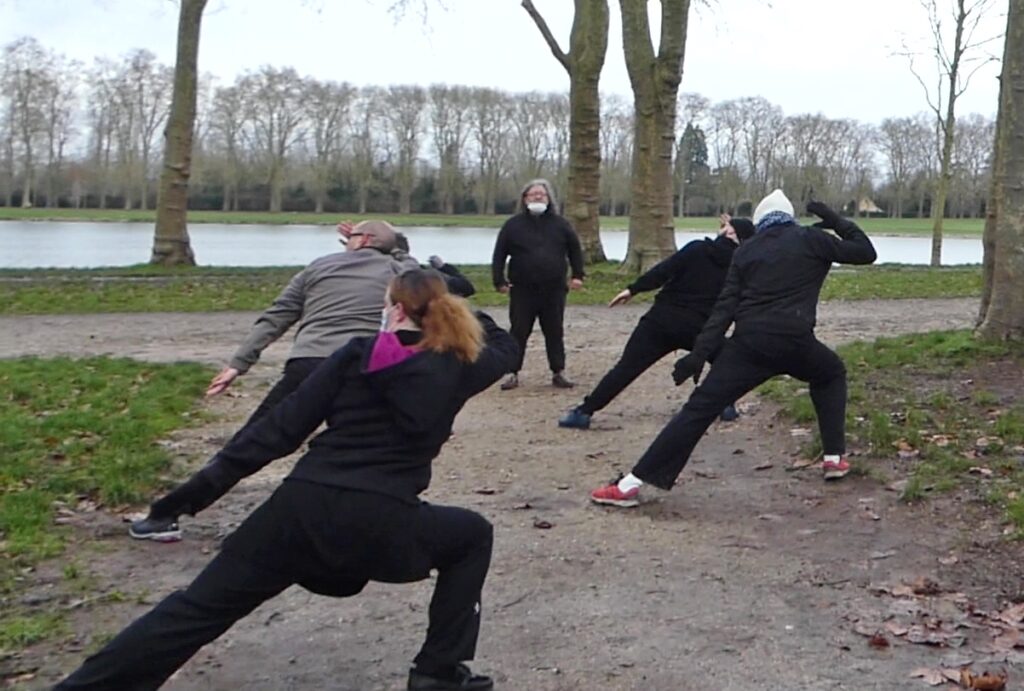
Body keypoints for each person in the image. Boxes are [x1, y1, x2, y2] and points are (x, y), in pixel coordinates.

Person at [57, 269, 518, 691]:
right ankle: (437, 672)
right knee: (471, 535)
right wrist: (456, 295)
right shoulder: (459, 367)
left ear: (395, 310)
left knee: (196, 610)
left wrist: (185, 500)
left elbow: (273, 434)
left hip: (299, 509)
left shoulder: (356, 355)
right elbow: (505, 344)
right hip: (383, 518)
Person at [129, 220, 418, 541]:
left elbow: (276, 316)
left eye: (349, 238)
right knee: (380, 447)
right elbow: (417, 274)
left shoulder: (318, 268)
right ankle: (378, 522)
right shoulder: (399, 269)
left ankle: (165, 514)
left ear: (362, 239)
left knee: (253, 442)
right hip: (366, 369)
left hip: (308, 366)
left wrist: (238, 364)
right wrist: (388, 246)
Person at [589, 191, 877, 508]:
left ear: (759, 222)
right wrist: (837, 221)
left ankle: (631, 484)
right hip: (796, 341)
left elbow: (723, 310)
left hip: (749, 346)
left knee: (698, 411)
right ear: (790, 217)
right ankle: (835, 458)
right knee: (830, 373)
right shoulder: (812, 239)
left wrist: (698, 355)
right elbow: (866, 252)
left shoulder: (747, 250)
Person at [557, 215, 756, 430]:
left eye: (726, 226)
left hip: (661, 321)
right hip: (700, 329)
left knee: (626, 368)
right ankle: (725, 405)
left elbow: (664, 270)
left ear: (727, 232)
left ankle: (584, 412)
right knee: (727, 360)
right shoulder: (741, 265)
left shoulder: (697, 249)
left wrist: (633, 289)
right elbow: (738, 303)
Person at [491, 178, 585, 390]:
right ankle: (512, 372)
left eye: (541, 194)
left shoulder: (561, 224)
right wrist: (499, 280)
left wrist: (578, 275)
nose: (537, 197)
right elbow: (499, 254)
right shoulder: (512, 225)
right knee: (518, 331)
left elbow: (575, 250)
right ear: (524, 199)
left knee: (554, 331)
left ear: (549, 198)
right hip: (522, 290)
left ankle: (558, 371)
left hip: (554, 290)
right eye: (533, 194)